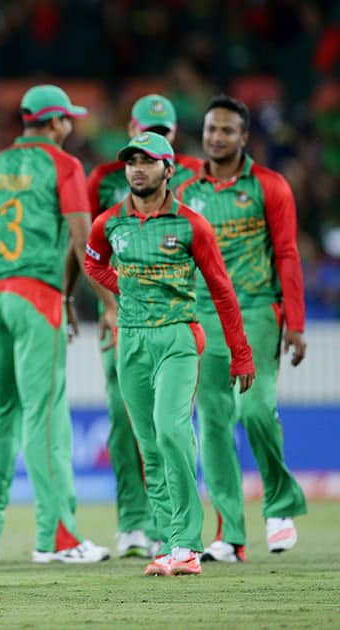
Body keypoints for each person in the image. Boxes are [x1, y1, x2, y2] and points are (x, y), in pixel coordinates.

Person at [85, 131, 255, 576]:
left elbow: (221, 288)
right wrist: (122, 287)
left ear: (169, 170)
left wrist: (240, 353)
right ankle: (170, 539)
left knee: (171, 430)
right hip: (131, 339)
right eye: (131, 161)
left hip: (178, 338)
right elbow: (91, 261)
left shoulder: (190, 224)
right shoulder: (109, 223)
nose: (137, 169)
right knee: (149, 446)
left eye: (148, 161)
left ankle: (186, 545)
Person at [0, 85, 111, 564]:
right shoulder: (64, 165)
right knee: (45, 413)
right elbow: (82, 238)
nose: (71, 128)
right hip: (37, 298)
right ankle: (58, 538)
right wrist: (105, 301)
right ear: (54, 123)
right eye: (67, 120)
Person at [177, 95, 308, 563]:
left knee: (255, 409)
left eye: (227, 130)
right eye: (211, 129)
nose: (217, 137)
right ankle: (230, 534)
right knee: (212, 425)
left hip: (255, 310)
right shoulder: (186, 190)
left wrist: (296, 321)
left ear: (244, 137)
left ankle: (279, 506)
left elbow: (288, 253)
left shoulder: (270, 187)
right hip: (204, 316)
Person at [85, 94, 202, 557]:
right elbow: (84, 242)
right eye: (145, 130)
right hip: (121, 318)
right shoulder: (103, 180)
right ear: (130, 129)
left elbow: (200, 256)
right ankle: (134, 523)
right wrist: (108, 301)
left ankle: (177, 527)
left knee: (174, 424)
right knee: (124, 419)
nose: (155, 137)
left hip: (176, 317)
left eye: (164, 130)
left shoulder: (191, 182)